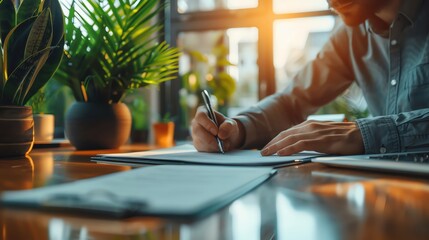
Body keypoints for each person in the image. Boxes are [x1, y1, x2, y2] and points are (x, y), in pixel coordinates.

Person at [191, 0, 429, 156]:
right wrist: (237, 129)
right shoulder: (350, 36)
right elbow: (291, 102)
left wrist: (364, 134)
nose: (330, 2)